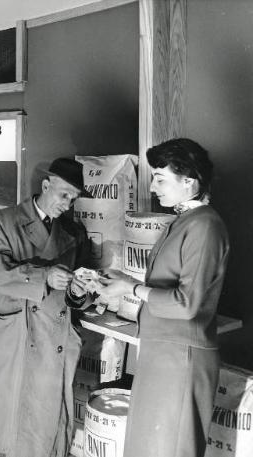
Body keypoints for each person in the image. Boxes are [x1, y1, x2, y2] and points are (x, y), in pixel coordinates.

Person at [99, 138, 229, 457]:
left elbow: (187, 304)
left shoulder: (205, 227)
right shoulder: (184, 221)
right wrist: (125, 280)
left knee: (170, 448)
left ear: (189, 182)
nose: (154, 186)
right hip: (163, 353)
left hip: (181, 358)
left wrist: (130, 288)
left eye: (161, 178)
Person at [0, 157, 92, 457]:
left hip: (53, 333)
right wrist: (44, 276)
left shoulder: (73, 233)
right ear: (46, 186)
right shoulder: (4, 222)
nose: (68, 204)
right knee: (5, 417)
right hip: (15, 331)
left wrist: (77, 290)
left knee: (43, 421)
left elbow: (79, 294)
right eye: (64, 195)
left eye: (73, 199)